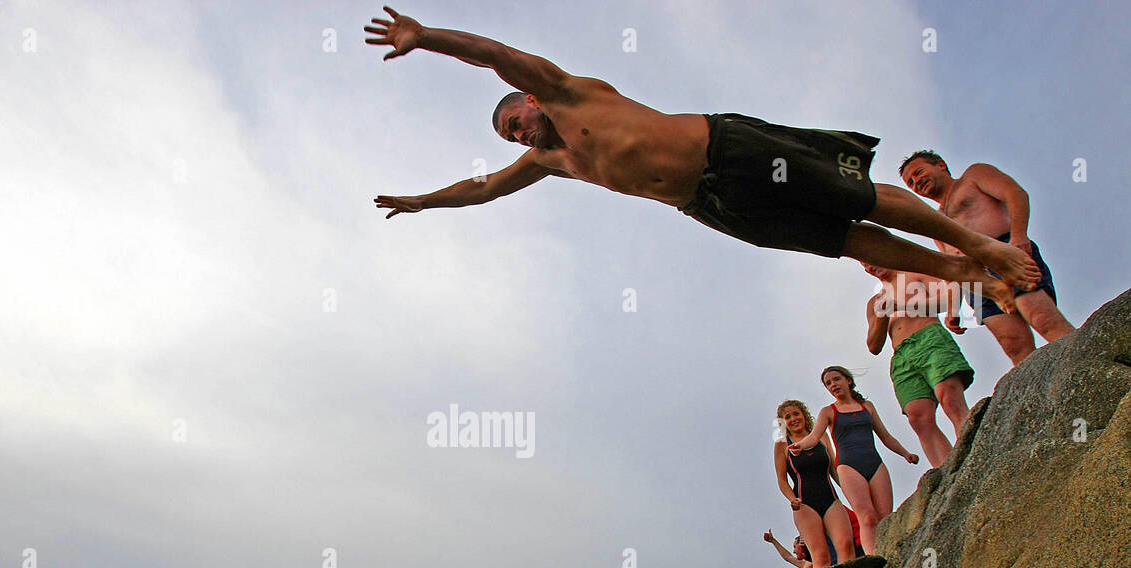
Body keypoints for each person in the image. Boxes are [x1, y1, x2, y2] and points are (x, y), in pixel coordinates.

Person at [366, 9, 1040, 318]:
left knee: (852, 197)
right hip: (710, 205)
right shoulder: (551, 162)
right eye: (510, 135)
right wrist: (425, 202)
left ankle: (973, 243)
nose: (517, 137)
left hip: (724, 148)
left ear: (532, 99)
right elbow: (483, 187)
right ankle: (958, 272)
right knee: (837, 241)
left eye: (515, 120)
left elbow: (493, 53)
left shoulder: (565, 90)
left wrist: (424, 38)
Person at [899, 150, 1072, 365]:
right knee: (1013, 344)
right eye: (911, 182)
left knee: (1042, 319)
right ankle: (1039, 394)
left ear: (940, 165)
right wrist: (953, 309)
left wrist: (1019, 236)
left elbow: (1015, 193)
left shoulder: (973, 176)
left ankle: (1088, 366)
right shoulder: (936, 220)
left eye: (919, 172)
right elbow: (950, 265)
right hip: (975, 279)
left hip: (1004, 252)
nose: (917, 182)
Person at [790, 367, 919, 553]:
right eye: (829, 383)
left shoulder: (867, 406)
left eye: (836, 379)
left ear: (848, 381)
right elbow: (814, 437)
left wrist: (905, 453)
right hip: (849, 467)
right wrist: (800, 446)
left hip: (875, 464)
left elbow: (885, 436)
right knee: (867, 517)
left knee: (885, 517)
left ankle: (890, 554)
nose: (833, 385)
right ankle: (874, 557)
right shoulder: (828, 411)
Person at [863, 265, 974, 468]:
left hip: (929, 337)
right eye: (863, 264)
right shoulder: (875, 302)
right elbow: (873, 345)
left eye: (870, 259)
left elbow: (947, 298)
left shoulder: (915, 275)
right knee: (918, 417)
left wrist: (903, 304)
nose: (869, 266)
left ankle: (975, 455)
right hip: (902, 356)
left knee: (950, 399)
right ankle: (948, 472)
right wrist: (883, 316)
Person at [775, 399, 854, 568]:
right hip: (804, 504)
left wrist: (849, 491)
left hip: (830, 498)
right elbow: (782, 480)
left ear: (804, 415)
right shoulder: (782, 444)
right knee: (821, 556)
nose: (793, 418)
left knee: (846, 544)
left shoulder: (820, 436)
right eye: (787, 417)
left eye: (796, 413)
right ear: (783, 422)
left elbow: (834, 468)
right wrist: (792, 499)